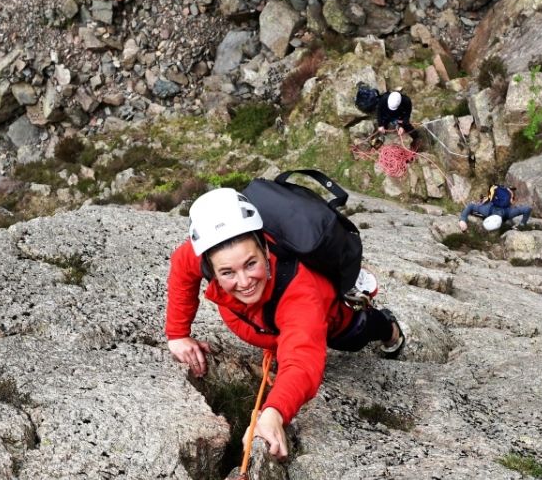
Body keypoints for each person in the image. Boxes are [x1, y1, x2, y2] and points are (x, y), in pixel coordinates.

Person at [165, 187, 405, 459]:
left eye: (251, 264)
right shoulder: (204, 254)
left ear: (265, 249)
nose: (244, 282)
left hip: (326, 318)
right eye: (227, 272)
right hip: (268, 327)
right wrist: (178, 334)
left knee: (354, 333)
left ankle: (387, 326)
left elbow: (302, 360)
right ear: (209, 267)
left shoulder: (300, 292)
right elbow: (182, 266)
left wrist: (274, 413)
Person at [460, 184, 531, 230]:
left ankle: (506, 190)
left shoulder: (486, 211)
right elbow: (527, 209)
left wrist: (463, 220)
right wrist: (522, 224)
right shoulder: (508, 213)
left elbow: (471, 206)